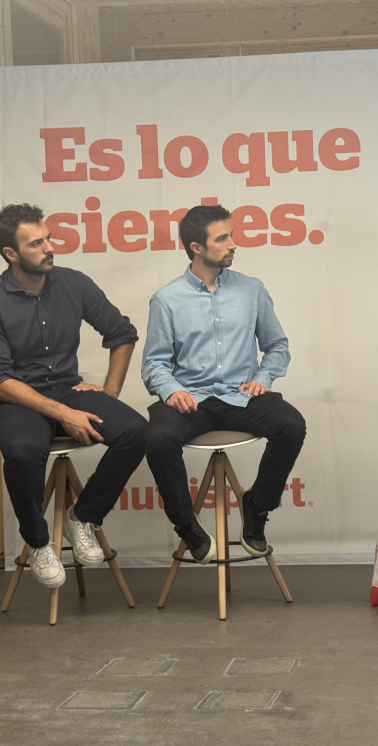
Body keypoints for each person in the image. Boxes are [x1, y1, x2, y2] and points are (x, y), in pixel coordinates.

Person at [0, 204, 147, 589]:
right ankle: (37, 541)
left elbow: (122, 333)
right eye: (37, 243)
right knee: (21, 450)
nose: (50, 247)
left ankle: (83, 517)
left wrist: (109, 392)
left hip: (69, 388)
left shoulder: (74, 283)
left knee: (136, 430)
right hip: (15, 400)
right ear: (11, 254)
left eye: (48, 238)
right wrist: (63, 413)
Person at [142, 205, 306, 564]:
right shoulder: (167, 299)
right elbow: (153, 363)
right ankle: (186, 525)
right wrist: (173, 391)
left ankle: (257, 507)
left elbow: (277, 345)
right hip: (192, 399)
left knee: (292, 425)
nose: (234, 244)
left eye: (231, 235)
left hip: (241, 396)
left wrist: (263, 379)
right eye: (223, 238)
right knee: (157, 437)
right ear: (196, 247)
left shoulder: (252, 290)